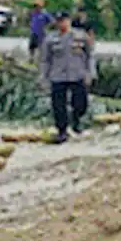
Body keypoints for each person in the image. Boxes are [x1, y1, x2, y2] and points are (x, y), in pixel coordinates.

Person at [40, 11, 95, 143]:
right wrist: (43, 77)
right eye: (59, 21)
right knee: (58, 105)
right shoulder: (50, 39)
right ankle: (62, 130)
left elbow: (90, 56)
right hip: (58, 75)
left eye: (64, 20)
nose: (62, 23)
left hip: (77, 74)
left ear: (69, 20)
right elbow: (45, 60)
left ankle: (76, 121)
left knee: (80, 103)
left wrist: (90, 73)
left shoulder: (81, 36)